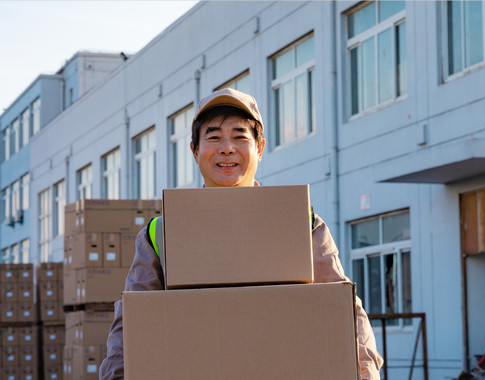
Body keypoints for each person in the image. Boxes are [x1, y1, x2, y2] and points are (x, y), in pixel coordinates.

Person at [99, 88, 384, 379]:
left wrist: (365, 373)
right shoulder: (160, 234)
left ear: (259, 147)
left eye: (239, 137)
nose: (226, 148)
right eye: (213, 137)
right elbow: (131, 327)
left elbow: (343, 309)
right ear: (195, 151)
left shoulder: (299, 223)